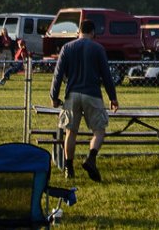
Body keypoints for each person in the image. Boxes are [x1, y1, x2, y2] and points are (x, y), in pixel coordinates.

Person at [50, 19, 120, 183]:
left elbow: (58, 74)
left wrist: (54, 96)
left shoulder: (67, 48)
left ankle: (69, 167)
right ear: (93, 32)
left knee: (70, 132)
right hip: (92, 94)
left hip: (72, 94)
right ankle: (91, 158)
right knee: (99, 130)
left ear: (78, 31)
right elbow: (106, 75)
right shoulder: (98, 48)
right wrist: (113, 97)